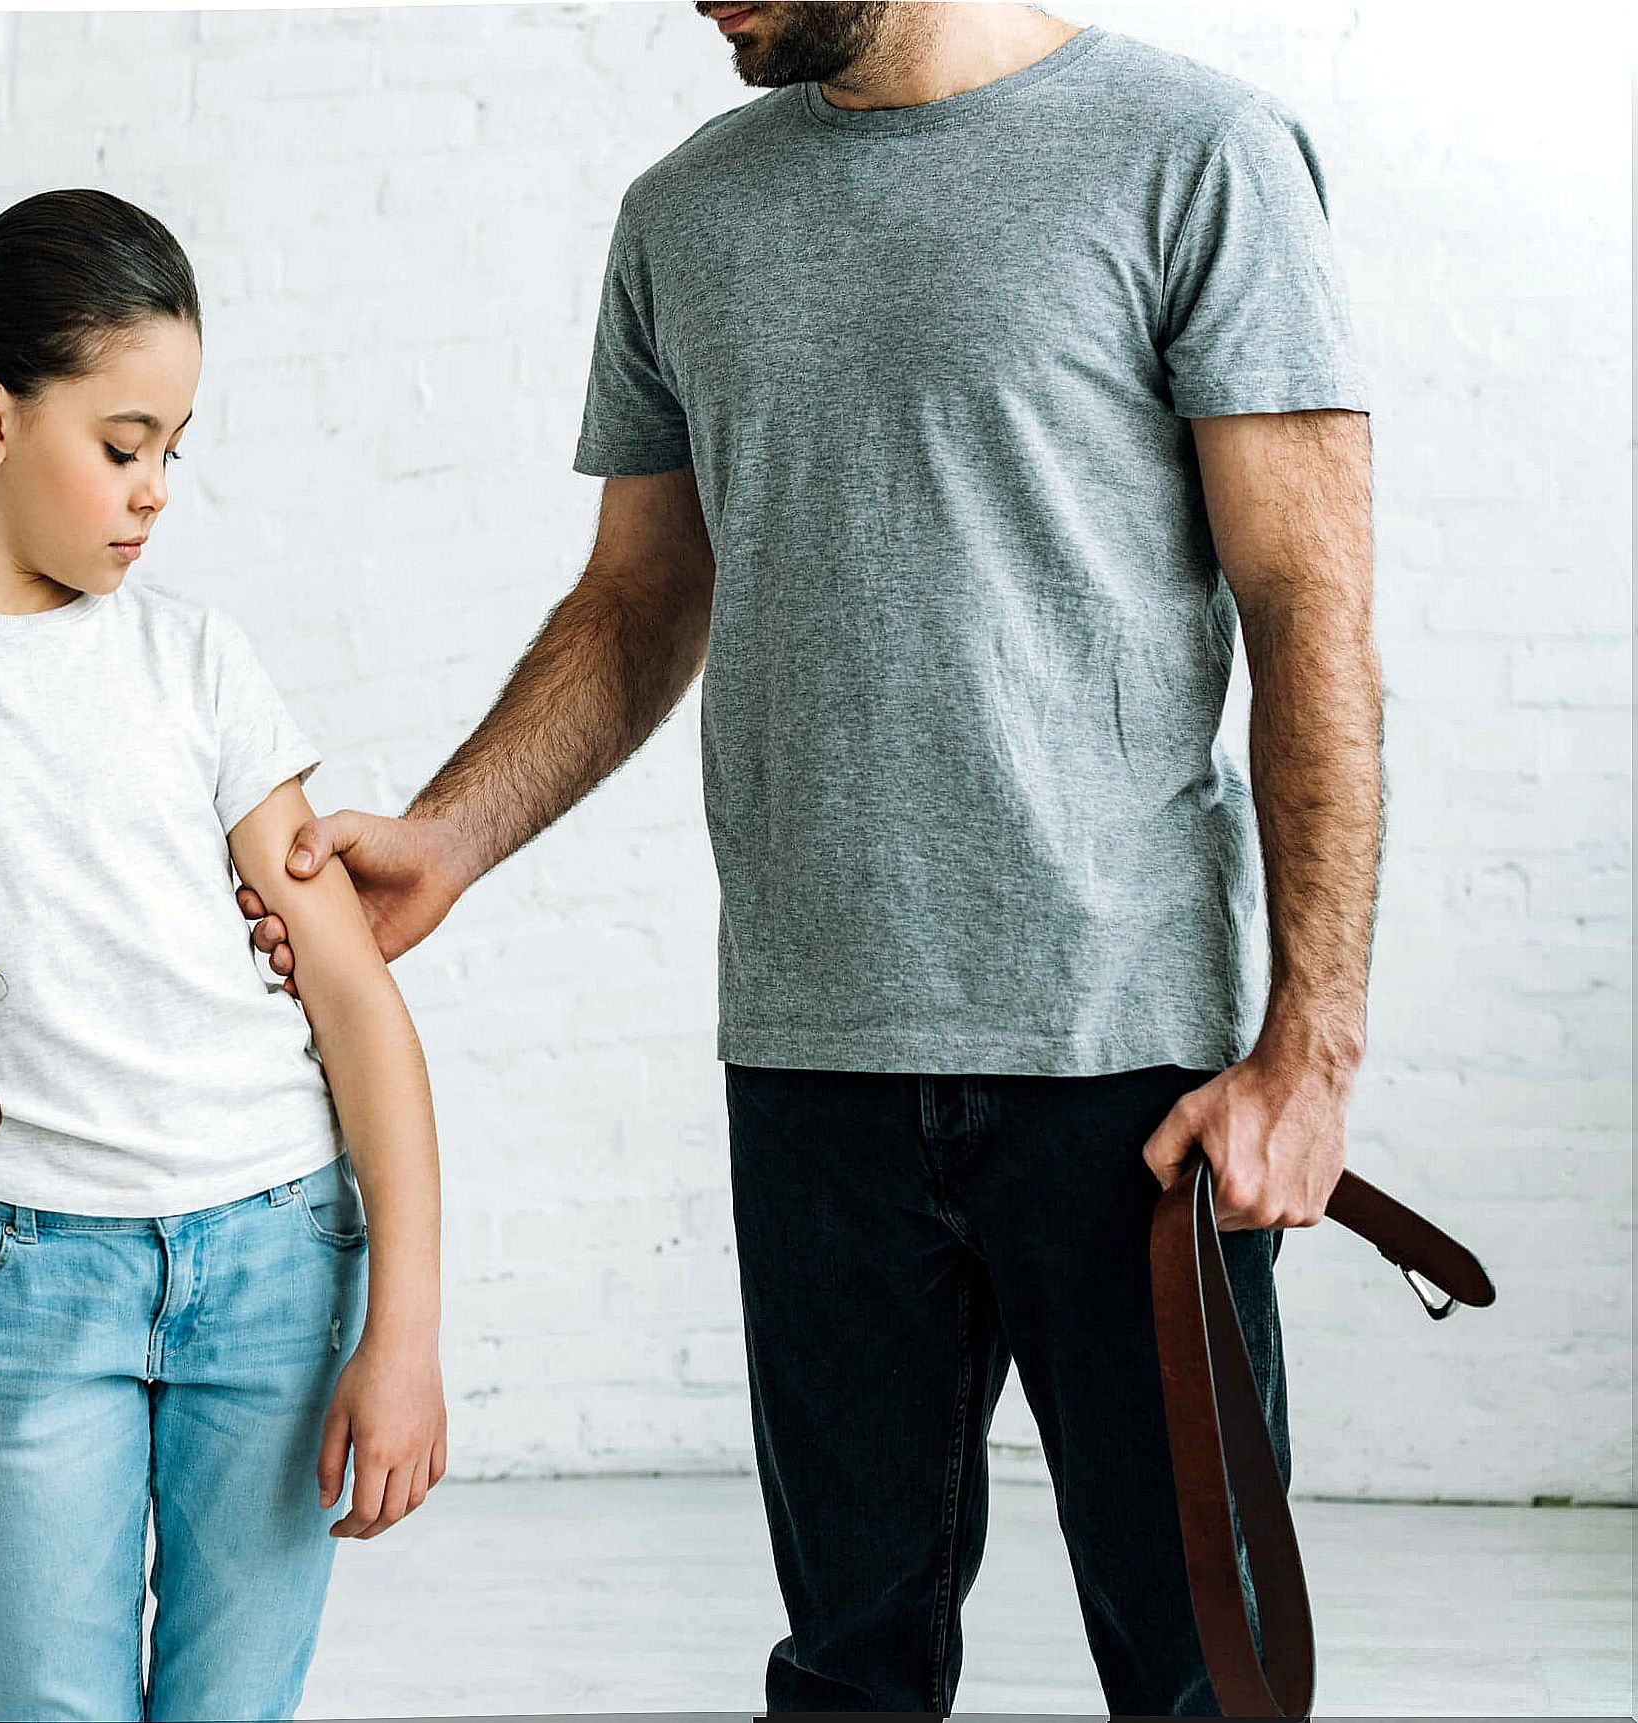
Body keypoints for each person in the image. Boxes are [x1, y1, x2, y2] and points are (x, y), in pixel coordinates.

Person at [236, 3, 1377, 1714]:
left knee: (1205, 1676)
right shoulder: (687, 215)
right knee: (850, 1671)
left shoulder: (1196, 158)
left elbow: (1313, 617)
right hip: (813, 1061)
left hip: (1128, 1079)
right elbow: (638, 597)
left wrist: (1312, 1051)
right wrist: (451, 838)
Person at [0, 188, 448, 1723]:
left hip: (272, 1262)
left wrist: (407, 1328)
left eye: (173, 451)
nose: (157, 490)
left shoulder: (195, 662)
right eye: (124, 445)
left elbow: (357, 1010)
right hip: (19, 1285)